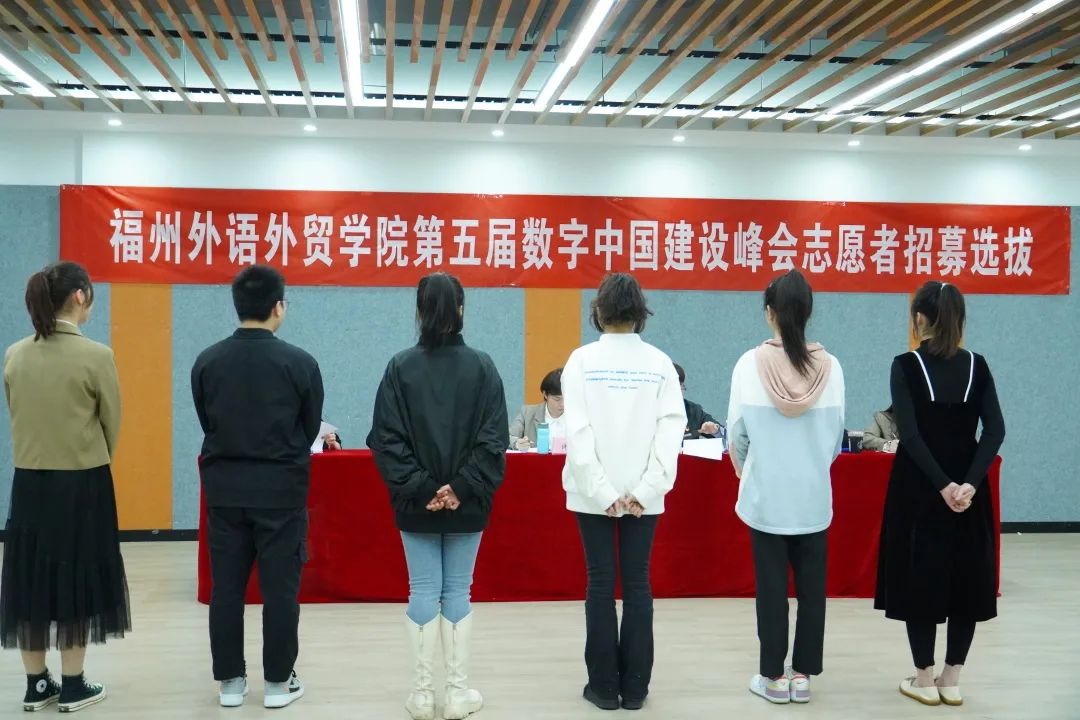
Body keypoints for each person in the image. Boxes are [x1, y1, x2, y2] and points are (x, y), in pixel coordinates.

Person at [367, 272, 508, 720]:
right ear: (462, 309)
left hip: (417, 502)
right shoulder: (483, 367)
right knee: (459, 590)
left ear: (419, 310)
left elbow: (386, 439)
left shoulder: (399, 367)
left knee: (424, 589)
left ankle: (424, 695)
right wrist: (459, 488)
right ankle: (457, 693)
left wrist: (424, 488)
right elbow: (494, 440)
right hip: (469, 500)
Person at [191, 266, 324, 709]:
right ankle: (278, 683)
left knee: (226, 590)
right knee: (280, 590)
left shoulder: (207, 361)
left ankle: (230, 683)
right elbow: (309, 429)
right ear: (278, 307)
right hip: (281, 493)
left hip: (225, 492)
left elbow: (207, 421)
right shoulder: (301, 363)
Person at [1, 262, 130, 714]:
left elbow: (17, 411)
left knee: (30, 580)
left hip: (29, 483)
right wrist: (89, 454)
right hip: (82, 482)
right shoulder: (97, 355)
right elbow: (112, 423)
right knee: (78, 577)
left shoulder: (15, 354)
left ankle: (36, 684)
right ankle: (74, 685)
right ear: (80, 295)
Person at [875, 281, 1005, 708]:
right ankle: (952, 678)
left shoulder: (905, 365)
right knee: (966, 579)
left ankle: (923, 678)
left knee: (922, 578)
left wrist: (943, 485)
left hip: (920, 488)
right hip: (969, 491)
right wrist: (968, 483)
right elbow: (995, 431)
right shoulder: (978, 365)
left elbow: (910, 435)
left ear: (919, 318)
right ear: (959, 319)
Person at [562, 273, 686, 712]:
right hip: (643, 497)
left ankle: (603, 687)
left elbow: (577, 432)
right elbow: (671, 431)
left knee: (599, 583)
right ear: (640, 314)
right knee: (637, 584)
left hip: (591, 493)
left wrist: (601, 492)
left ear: (598, 312)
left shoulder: (580, 361)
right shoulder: (660, 363)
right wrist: (646, 489)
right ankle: (635, 687)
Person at [726, 270, 845, 706]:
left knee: (771, 591)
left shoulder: (748, 364)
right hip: (813, 498)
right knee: (812, 592)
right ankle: (803, 676)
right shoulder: (832, 367)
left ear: (769, 313)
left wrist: (751, 472)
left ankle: (774, 678)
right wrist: (809, 467)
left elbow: (737, 436)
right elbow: (834, 439)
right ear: (808, 312)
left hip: (766, 499)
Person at [508, 368, 563, 450]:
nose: (562, 404)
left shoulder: (578, 416)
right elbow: (507, 437)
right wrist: (516, 443)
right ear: (545, 394)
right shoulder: (527, 413)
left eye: (566, 399)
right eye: (557, 399)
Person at [673, 363, 722, 439]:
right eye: (674, 387)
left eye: (681, 387)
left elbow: (723, 434)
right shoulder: (653, 411)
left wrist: (716, 431)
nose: (679, 392)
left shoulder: (692, 411)